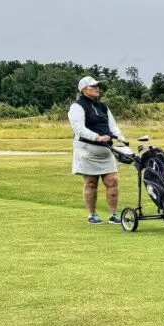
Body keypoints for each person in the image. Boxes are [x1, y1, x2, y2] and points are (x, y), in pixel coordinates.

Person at [68, 76, 126, 224]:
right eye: (93, 86)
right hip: (87, 150)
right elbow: (79, 129)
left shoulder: (103, 107)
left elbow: (112, 126)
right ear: (84, 89)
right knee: (91, 183)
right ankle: (92, 215)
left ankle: (113, 215)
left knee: (112, 181)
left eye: (97, 86)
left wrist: (120, 137)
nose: (97, 88)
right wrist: (97, 137)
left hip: (106, 150)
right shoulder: (77, 106)